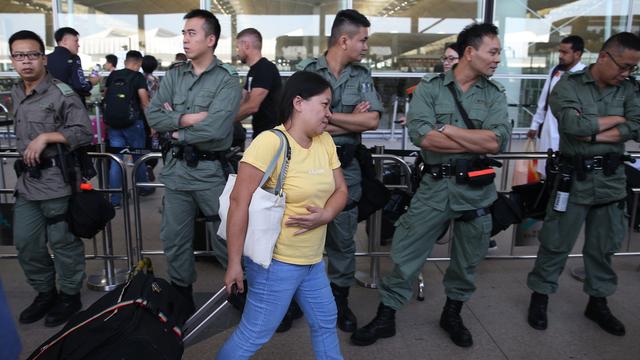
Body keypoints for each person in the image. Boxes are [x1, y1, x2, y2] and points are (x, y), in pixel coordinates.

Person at [351, 23, 511, 348]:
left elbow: (497, 142)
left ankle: (452, 313)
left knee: (467, 260)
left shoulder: (494, 94)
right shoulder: (431, 88)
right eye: (493, 51)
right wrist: (473, 141)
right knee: (406, 253)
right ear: (470, 52)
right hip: (435, 188)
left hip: (477, 191)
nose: (498, 59)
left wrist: (447, 129)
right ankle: (386, 316)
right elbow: (422, 136)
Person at [217, 70, 348, 360]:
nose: (330, 113)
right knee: (254, 334)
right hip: (276, 264)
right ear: (299, 103)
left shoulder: (324, 142)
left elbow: (341, 189)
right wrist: (234, 263)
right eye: (325, 104)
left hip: (312, 261)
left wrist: (326, 214)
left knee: (325, 322)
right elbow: (239, 202)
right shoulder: (270, 142)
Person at [526, 32, 640, 337]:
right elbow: (573, 127)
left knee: (604, 247)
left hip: (611, 181)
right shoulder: (569, 86)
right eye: (624, 66)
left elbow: (638, 127)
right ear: (604, 57)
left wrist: (591, 134)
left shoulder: (629, 89)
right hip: (573, 180)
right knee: (555, 242)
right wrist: (618, 121)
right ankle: (540, 297)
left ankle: (598, 302)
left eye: (633, 69)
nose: (627, 73)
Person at [146, 9, 241, 314]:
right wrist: (187, 118)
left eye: (192, 33)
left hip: (211, 172)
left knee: (225, 239)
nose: (185, 39)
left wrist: (175, 131)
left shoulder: (226, 80)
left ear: (211, 39)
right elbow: (153, 116)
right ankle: (182, 295)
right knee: (175, 240)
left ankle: (240, 292)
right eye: (184, 33)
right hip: (176, 173)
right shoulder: (174, 75)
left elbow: (217, 128)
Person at [296, 8, 382, 334]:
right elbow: (298, 123)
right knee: (303, 233)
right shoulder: (308, 72)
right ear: (344, 40)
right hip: (310, 169)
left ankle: (339, 302)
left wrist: (326, 117)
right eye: (363, 39)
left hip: (345, 170)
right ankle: (298, 296)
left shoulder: (361, 75)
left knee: (344, 240)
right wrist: (348, 118)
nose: (366, 46)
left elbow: (372, 120)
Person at [9, 30, 93, 327]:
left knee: (63, 242)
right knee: (26, 242)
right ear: (12, 60)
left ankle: (69, 296)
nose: (26, 61)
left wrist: (47, 136)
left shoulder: (61, 92)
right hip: (28, 184)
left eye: (32, 55)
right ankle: (45, 293)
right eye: (19, 56)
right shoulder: (17, 92)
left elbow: (84, 132)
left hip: (57, 181)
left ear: (43, 58)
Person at [527, 35, 586, 176]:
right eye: (560, 51)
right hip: (548, 130)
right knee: (546, 171)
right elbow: (544, 100)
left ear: (577, 54)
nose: (560, 56)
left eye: (565, 52)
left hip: (571, 134)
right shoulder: (555, 71)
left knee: (566, 173)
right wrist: (535, 125)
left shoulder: (585, 75)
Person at [104, 50, 152, 208]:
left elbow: (106, 96)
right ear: (138, 63)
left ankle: (115, 199)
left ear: (125, 61)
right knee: (139, 157)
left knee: (117, 160)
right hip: (133, 123)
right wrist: (152, 125)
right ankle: (143, 188)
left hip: (114, 124)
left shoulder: (113, 75)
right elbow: (144, 102)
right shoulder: (138, 77)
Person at [235, 28, 282, 138]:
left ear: (246, 45)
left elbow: (252, 106)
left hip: (271, 136)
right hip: (260, 134)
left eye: (238, 48)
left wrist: (223, 122)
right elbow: (243, 100)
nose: (237, 52)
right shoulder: (253, 70)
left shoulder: (265, 68)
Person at [47, 27, 98, 105]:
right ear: (64, 41)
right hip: (72, 105)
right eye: (76, 41)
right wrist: (92, 82)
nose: (78, 45)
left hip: (50, 104)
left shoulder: (46, 58)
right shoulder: (73, 58)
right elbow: (80, 85)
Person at [142, 55, 161, 181]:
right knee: (153, 146)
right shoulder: (154, 80)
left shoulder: (138, 78)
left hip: (139, 118)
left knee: (142, 146)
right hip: (151, 117)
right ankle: (149, 166)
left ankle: (143, 170)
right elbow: (155, 100)